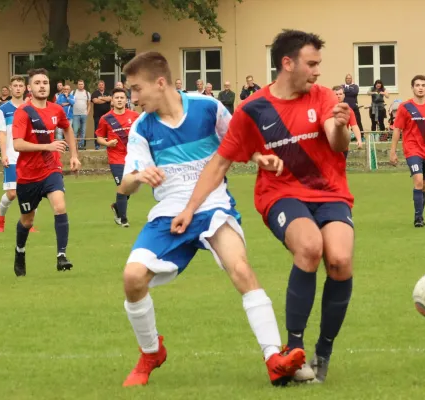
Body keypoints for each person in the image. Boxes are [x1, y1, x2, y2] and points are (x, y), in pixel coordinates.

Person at [172, 29, 354, 384]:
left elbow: (336, 142)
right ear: (288, 63)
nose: (317, 71)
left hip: (330, 192)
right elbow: (219, 163)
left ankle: (324, 351)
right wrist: (190, 208)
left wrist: (343, 126)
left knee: (340, 261)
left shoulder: (323, 96)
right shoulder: (253, 109)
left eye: (319, 64)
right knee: (310, 247)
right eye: (311, 64)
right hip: (281, 194)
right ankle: (294, 351)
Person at [118, 51, 305, 388]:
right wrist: (139, 176)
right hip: (168, 213)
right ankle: (150, 352)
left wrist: (260, 156)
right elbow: (125, 185)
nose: (132, 98)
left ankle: (273, 357)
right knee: (132, 278)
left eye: (135, 89)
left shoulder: (208, 108)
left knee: (241, 268)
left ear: (159, 83)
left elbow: (240, 140)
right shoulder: (141, 128)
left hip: (213, 206)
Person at [11, 68, 81, 276]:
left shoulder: (56, 110)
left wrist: (74, 155)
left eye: (45, 82)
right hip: (27, 175)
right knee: (27, 221)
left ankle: (61, 256)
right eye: (37, 82)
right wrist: (47, 146)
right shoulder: (23, 112)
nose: (42, 86)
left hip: (51, 169)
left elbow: (67, 128)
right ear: (29, 88)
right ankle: (20, 252)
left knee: (60, 206)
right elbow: (17, 144)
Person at [390, 75, 425, 227]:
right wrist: (393, 151)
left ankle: (420, 216)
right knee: (418, 180)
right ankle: (418, 220)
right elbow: (397, 129)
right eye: (417, 85)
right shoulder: (405, 107)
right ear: (412, 88)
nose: (420, 88)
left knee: (424, 186)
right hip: (412, 149)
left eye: (423, 85)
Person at [0, 76, 38, 233]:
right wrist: (3, 154)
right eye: (15, 85)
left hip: (28, 155)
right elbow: (2, 134)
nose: (18, 88)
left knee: (31, 191)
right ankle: (0, 216)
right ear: (10, 88)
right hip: (12, 156)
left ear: (25, 88)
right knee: (12, 193)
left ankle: (28, 222)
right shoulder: (3, 109)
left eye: (21, 85)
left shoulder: (30, 108)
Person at [95, 88, 139, 227]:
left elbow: (142, 132)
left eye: (122, 97)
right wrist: (107, 143)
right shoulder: (106, 118)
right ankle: (123, 219)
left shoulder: (135, 116)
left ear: (126, 100)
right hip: (116, 158)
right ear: (112, 101)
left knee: (131, 187)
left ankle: (117, 206)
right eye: (117, 98)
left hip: (132, 157)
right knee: (122, 185)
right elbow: (99, 138)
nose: (119, 100)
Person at [333, 85, 362, 157]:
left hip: (343, 146)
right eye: (336, 94)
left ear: (344, 95)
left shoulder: (349, 110)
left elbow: (354, 126)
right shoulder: (326, 109)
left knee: (341, 168)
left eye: (340, 94)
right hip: (329, 146)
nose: (338, 96)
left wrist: (359, 140)